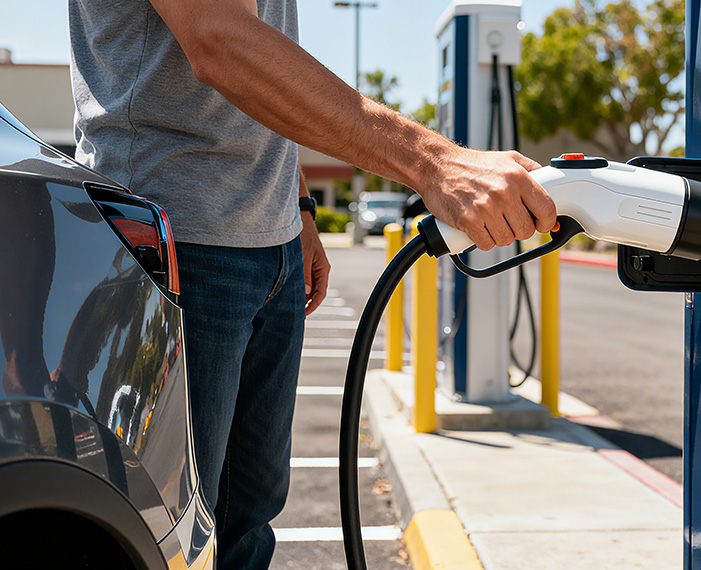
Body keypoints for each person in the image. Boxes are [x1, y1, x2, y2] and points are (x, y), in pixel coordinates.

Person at [68, 1, 559, 568]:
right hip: (173, 241)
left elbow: (264, 71)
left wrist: (299, 208)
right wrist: (435, 163)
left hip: (271, 241)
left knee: (249, 517)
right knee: (168, 535)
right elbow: (220, 40)